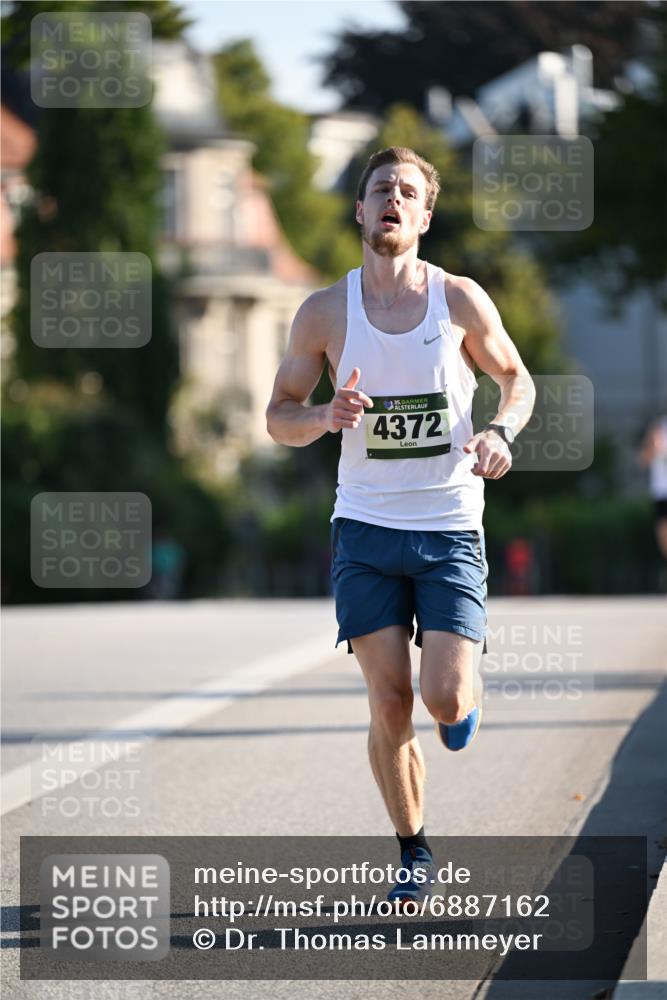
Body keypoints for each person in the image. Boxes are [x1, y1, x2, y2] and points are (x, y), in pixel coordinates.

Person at [266, 146, 535, 906]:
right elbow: (278, 417)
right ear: (360, 210)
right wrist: (323, 415)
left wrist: (500, 431)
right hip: (363, 528)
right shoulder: (324, 312)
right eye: (380, 188)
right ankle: (414, 850)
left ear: (424, 216)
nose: (392, 198)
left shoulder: (459, 301)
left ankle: (462, 696)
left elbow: (514, 379)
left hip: (448, 524)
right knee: (389, 701)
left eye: (407, 192)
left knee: (442, 699)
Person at [639, 414, 667, 568]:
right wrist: (651, 444)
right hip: (662, 492)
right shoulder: (658, 428)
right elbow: (643, 461)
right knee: (663, 534)